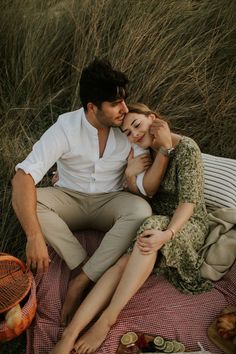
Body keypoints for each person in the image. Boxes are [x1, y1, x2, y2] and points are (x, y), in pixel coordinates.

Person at [11, 60, 171, 325]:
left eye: (124, 101)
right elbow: (22, 177)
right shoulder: (65, 128)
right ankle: (80, 263)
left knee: (140, 210)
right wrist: (33, 236)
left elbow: (146, 189)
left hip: (110, 200)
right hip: (69, 198)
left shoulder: (128, 127)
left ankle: (81, 281)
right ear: (92, 107)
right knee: (31, 200)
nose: (124, 109)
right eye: (114, 104)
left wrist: (135, 172)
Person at [50, 103, 212, 354]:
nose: (134, 134)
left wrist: (167, 234)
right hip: (157, 219)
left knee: (148, 229)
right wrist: (129, 175)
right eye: (127, 132)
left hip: (185, 223)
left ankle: (107, 319)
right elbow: (145, 195)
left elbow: (189, 204)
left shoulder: (187, 148)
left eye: (137, 125)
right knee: (123, 260)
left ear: (153, 118)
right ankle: (70, 333)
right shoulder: (148, 151)